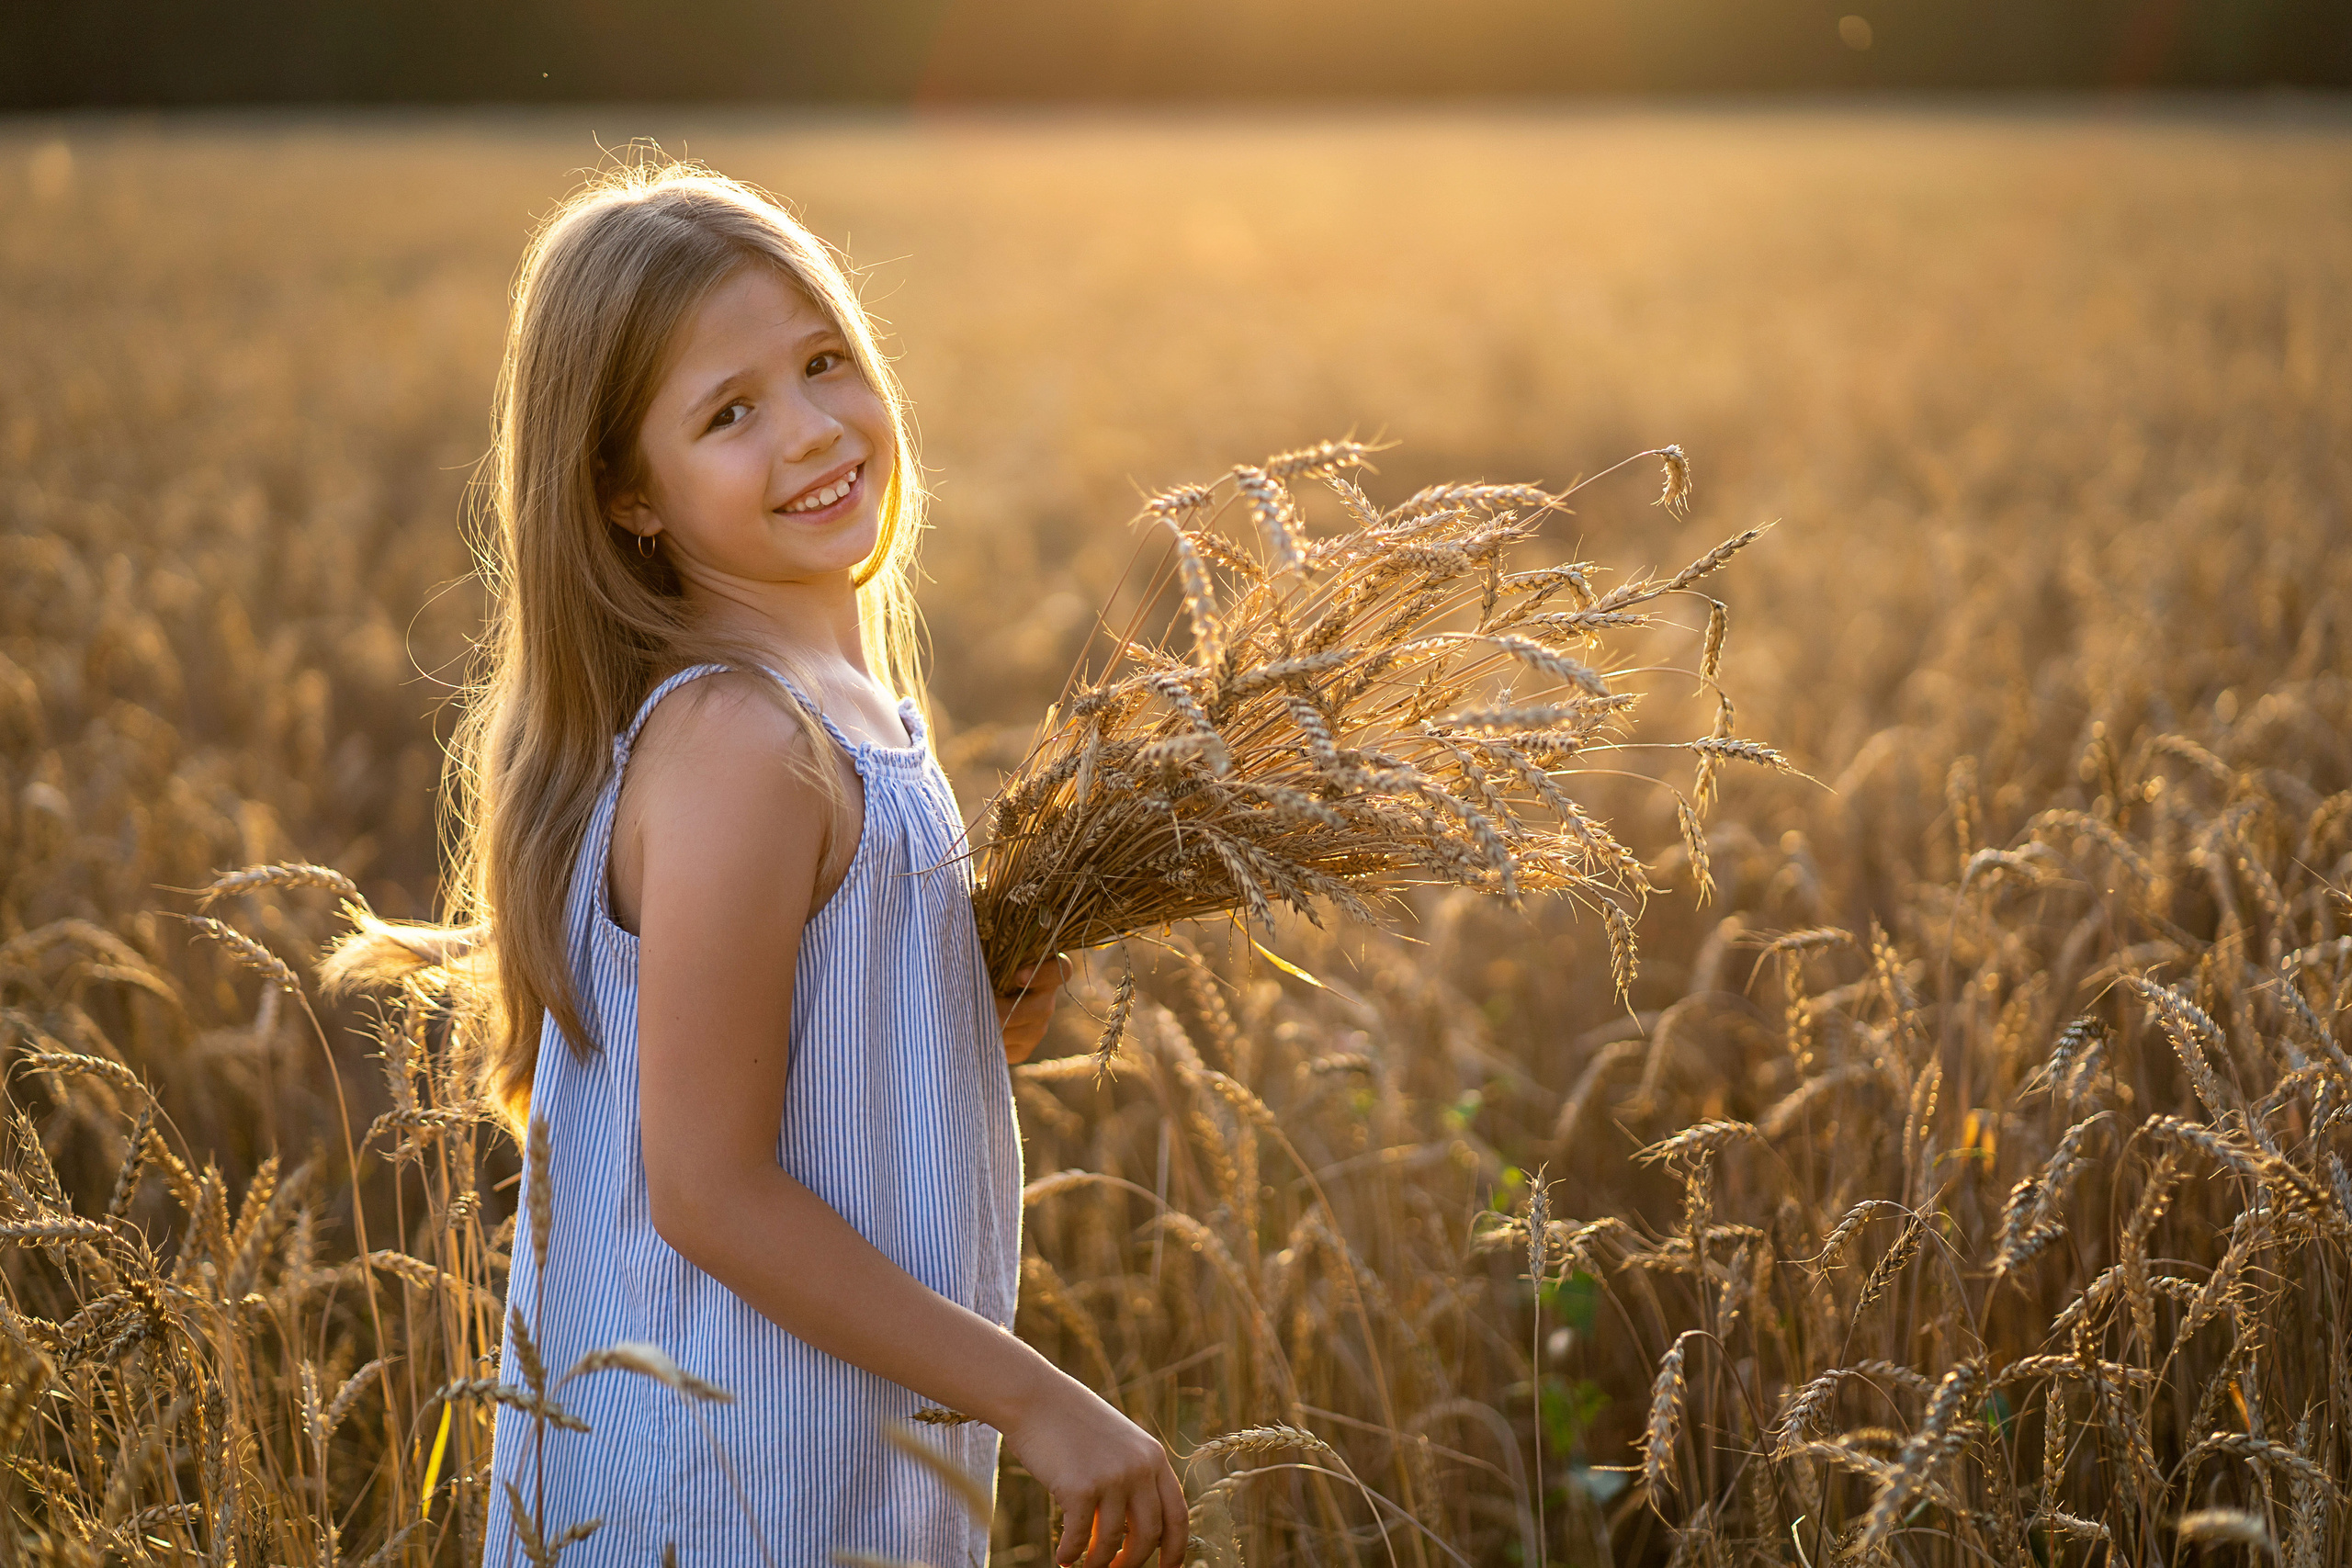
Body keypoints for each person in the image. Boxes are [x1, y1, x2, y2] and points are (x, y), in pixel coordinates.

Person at [329, 158, 1190, 1568]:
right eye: (730, 413)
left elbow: (799, 1076)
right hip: (718, 1493)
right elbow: (705, 1188)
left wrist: (953, 1026)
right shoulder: (740, 741)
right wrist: (1040, 1401)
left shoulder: (849, 713)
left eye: (824, 362)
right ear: (628, 497)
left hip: (832, 1463)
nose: (809, 431)